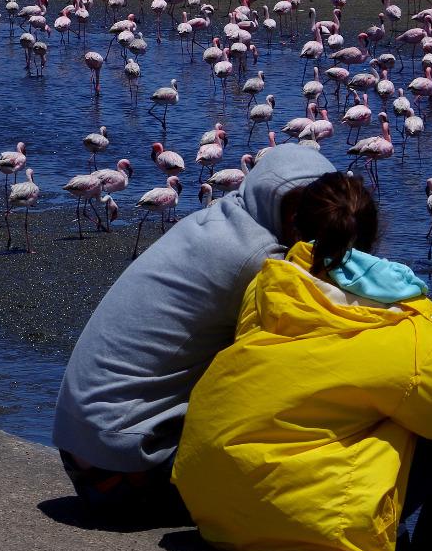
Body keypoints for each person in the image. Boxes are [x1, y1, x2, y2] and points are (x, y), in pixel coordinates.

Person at [172, 172, 432, 551]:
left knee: (355, 404)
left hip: (214, 503)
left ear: (297, 228)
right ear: (372, 237)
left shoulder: (270, 285)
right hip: (299, 519)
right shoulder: (399, 323)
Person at [53, 142, 337, 521]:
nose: (311, 224)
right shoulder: (257, 257)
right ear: (273, 201)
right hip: (124, 469)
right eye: (301, 212)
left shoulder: (213, 221)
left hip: (85, 447)